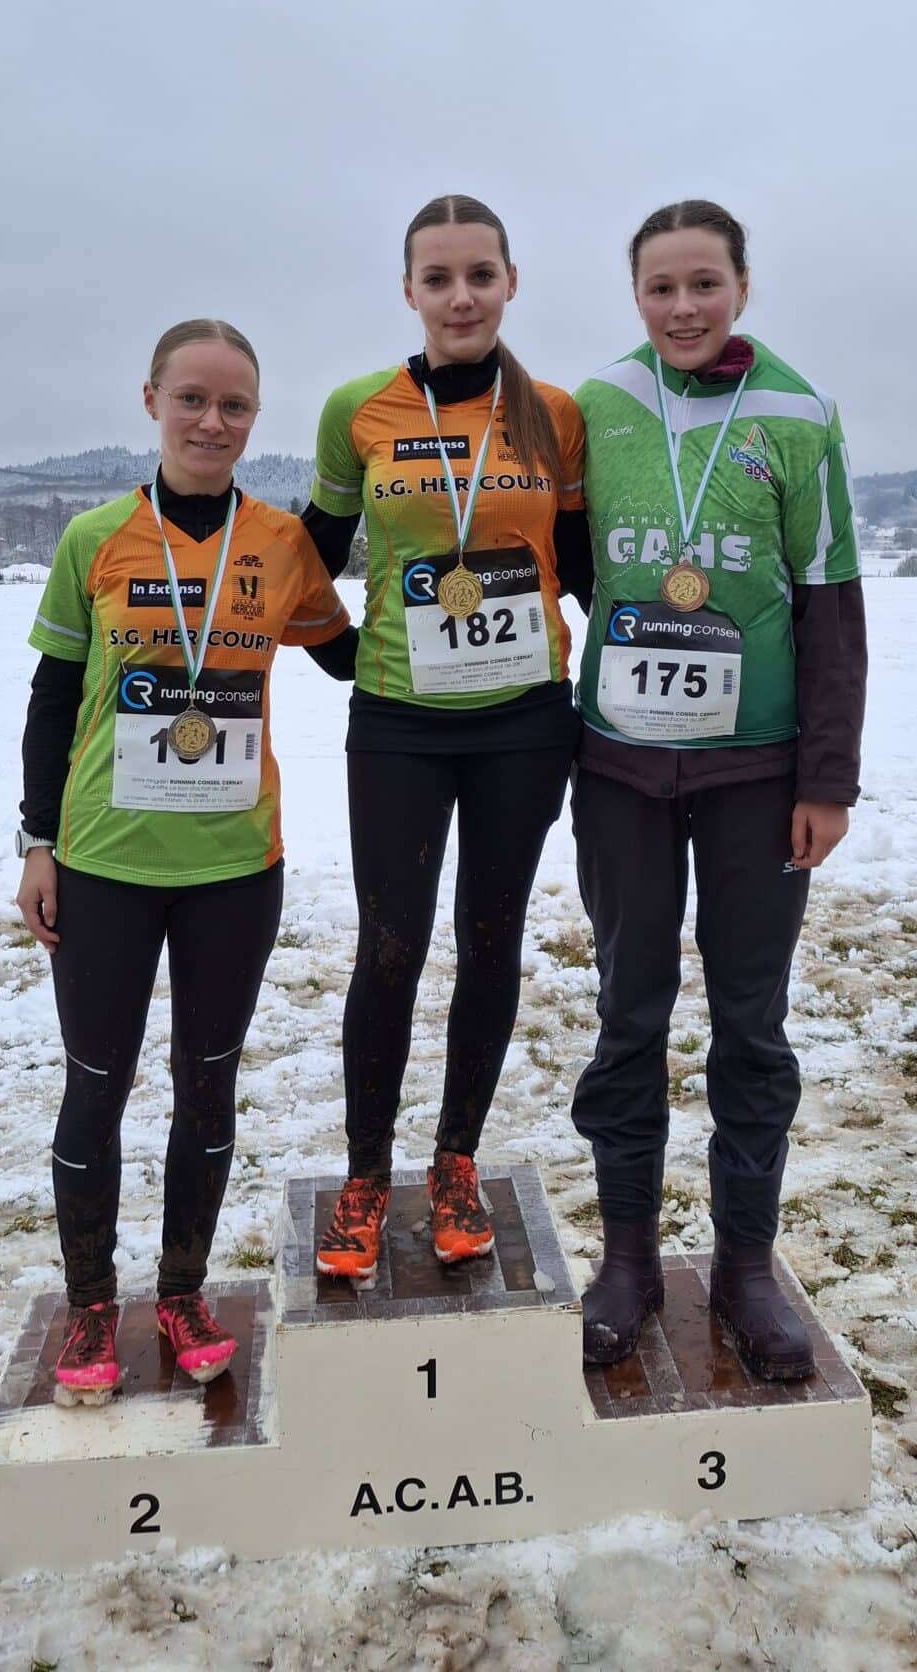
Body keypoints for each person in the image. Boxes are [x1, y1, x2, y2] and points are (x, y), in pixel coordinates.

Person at [15, 319, 354, 1405]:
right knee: (97, 1085)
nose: (213, 421)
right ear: (152, 400)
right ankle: (88, 1303)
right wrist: (36, 841)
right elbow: (52, 701)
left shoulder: (282, 544)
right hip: (106, 860)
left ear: (255, 416)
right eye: (192, 399)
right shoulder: (96, 538)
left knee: (207, 1084)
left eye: (235, 404)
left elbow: (351, 655)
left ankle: (182, 1290)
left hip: (233, 865)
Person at [571, 200, 866, 1378]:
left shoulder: (798, 412)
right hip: (622, 769)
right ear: (635, 294)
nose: (684, 307)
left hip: (757, 772)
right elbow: (563, 559)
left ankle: (746, 1264)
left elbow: (831, 602)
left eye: (705, 283)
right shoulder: (596, 406)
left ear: (741, 284)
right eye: (661, 287)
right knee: (628, 1012)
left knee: (751, 1021)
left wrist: (828, 778)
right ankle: (628, 1257)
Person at [301, 194, 590, 1281]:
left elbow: (582, 561)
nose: (460, 296)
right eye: (438, 277)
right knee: (390, 943)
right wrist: (337, 650)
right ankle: (367, 1174)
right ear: (409, 290)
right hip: (400, 721)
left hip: (524, 720)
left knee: (491, 936)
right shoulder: (357, 411)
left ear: (511, 282)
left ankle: (457, 1159)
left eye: (480, 275)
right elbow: (309, 552)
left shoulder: (552, 415)